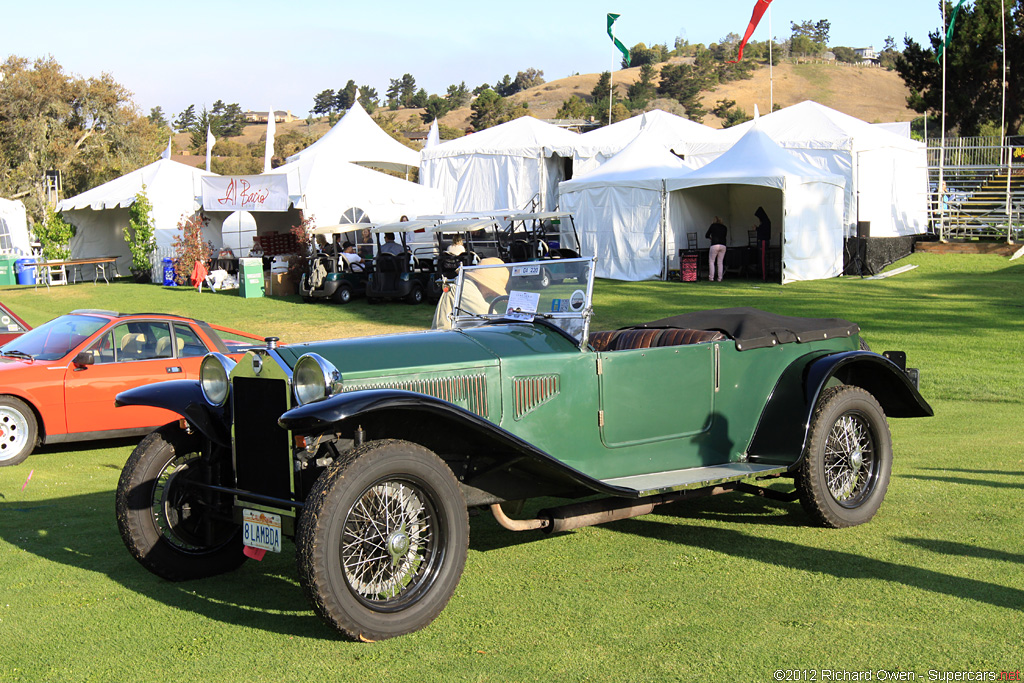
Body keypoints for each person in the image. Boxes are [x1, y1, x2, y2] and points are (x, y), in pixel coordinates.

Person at [431, 257, 508, 330]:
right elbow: (489, 317)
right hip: (447, 339)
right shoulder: (465, 288)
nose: (494, 294)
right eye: (493, 289)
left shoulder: (465, 285)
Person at [705, 216, 728, 282]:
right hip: (723, 245)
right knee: (720, 262)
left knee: (711, 261)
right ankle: (720, 278)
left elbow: (706, 235)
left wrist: (711, 238)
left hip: (714, 244)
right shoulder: (725, 227)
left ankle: (711, 278)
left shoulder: (713, 226)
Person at [753, 206, 771, 282]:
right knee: (762, 259)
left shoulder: (765, 222)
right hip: (763, 241)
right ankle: (763, 274)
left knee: (763, 259)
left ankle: (764, 276)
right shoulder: (766, 221)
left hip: (763, 241)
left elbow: (763, 231)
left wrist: (756, 228)